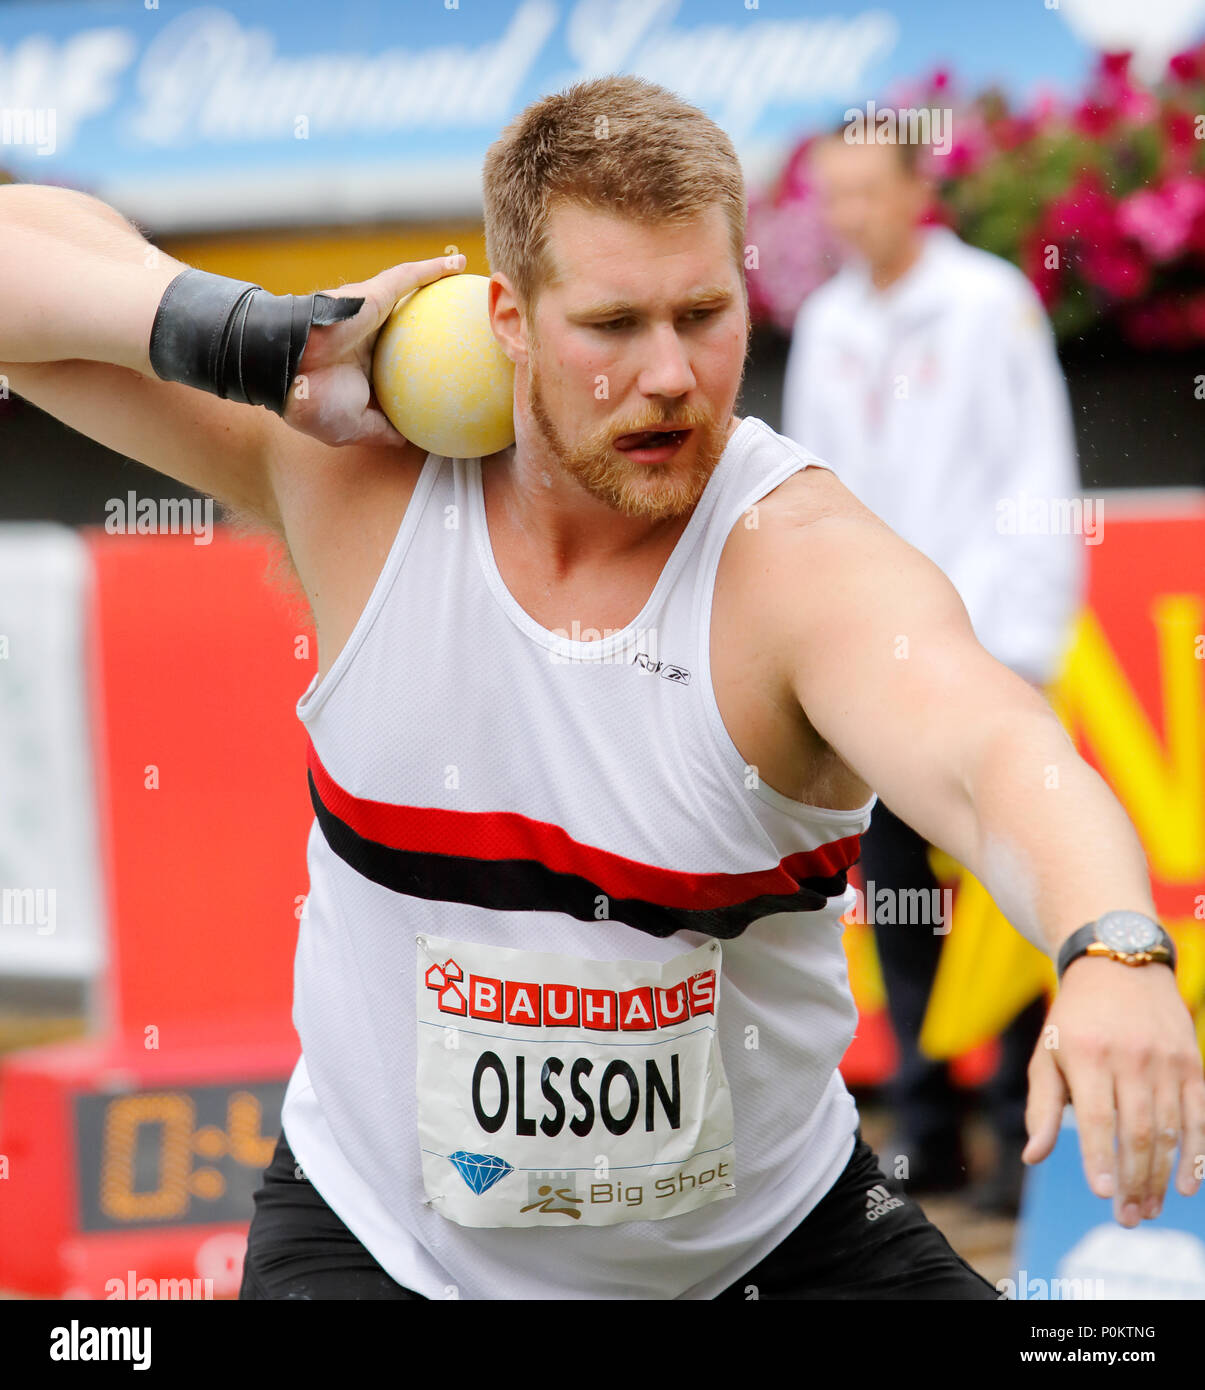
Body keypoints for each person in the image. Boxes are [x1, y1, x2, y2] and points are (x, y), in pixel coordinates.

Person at [0, 75, 1199, 1302]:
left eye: (703, 312)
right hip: (381, 1244)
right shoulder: (352, 483)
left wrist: (1111, 946)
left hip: (770, 1246)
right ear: (505, 318)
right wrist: (255, 335)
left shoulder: (799, 568)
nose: (672, 374)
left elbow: (998, 752)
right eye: (613, 324)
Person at [781, 128, 1087, 1215]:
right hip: (869, 660)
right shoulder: (825, 322)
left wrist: (1020, 653)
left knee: (1003, 903)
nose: (849, 214)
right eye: (834, 196)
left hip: (979, 654)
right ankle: (922, 1126)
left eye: (868, 190)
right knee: (894, 900)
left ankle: (1015, 1131)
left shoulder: (988, 303)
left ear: (918, 188)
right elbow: (814, 488)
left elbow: (1035, 469)